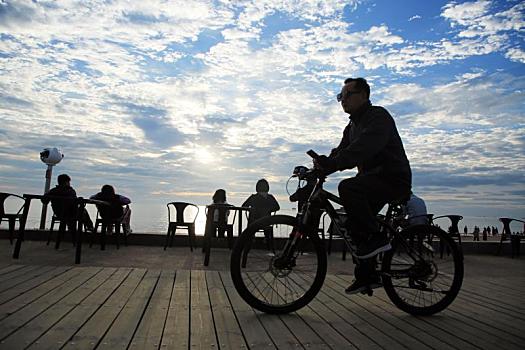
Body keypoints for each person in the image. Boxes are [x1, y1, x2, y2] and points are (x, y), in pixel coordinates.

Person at [313, 77, 412, 295]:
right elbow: (341, 152)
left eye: (348, 95)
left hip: (393, 179)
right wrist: (321, 166)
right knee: (355, 226)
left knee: (348, 188)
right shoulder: (351, 126)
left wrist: (335, 163)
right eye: (341, 96)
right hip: (373, 181)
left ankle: (377, 239)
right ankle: (367, 276)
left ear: (364, 95)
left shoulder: (378, 117)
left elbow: (363, 148)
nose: (343, 100)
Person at [242, 179, 280, 244]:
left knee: (251, 219)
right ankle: (267, 238)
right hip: (266, 222)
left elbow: (243, 206)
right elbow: (277, 207)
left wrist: (251, 209)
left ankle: (251, 237)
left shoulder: (253, 197)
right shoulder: (270, 197)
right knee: (267, 221)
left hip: (253, 222)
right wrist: (269, 210)